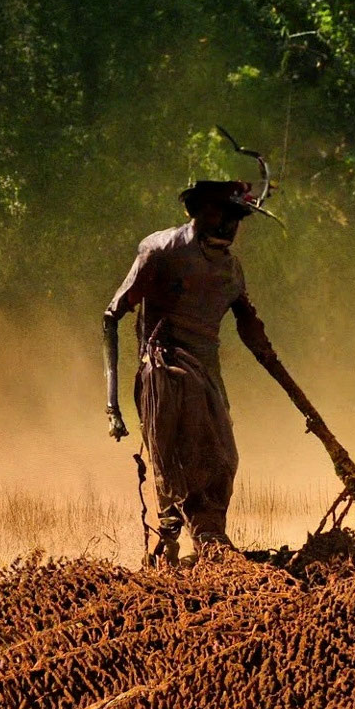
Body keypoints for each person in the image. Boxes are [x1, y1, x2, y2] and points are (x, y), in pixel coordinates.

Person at [102, 179, 287, 565]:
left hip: (207, 374)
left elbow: (250, 327)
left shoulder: (232, 271)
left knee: (223, 459)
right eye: (222, 215)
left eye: (237, 219)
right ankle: (173, 551)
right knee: (173, 462)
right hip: (163, 369)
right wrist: (112, 407)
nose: (228, 227)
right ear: (197, 212)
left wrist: (278, 370)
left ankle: (210, 546)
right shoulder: (160, 251)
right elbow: (112, 317)